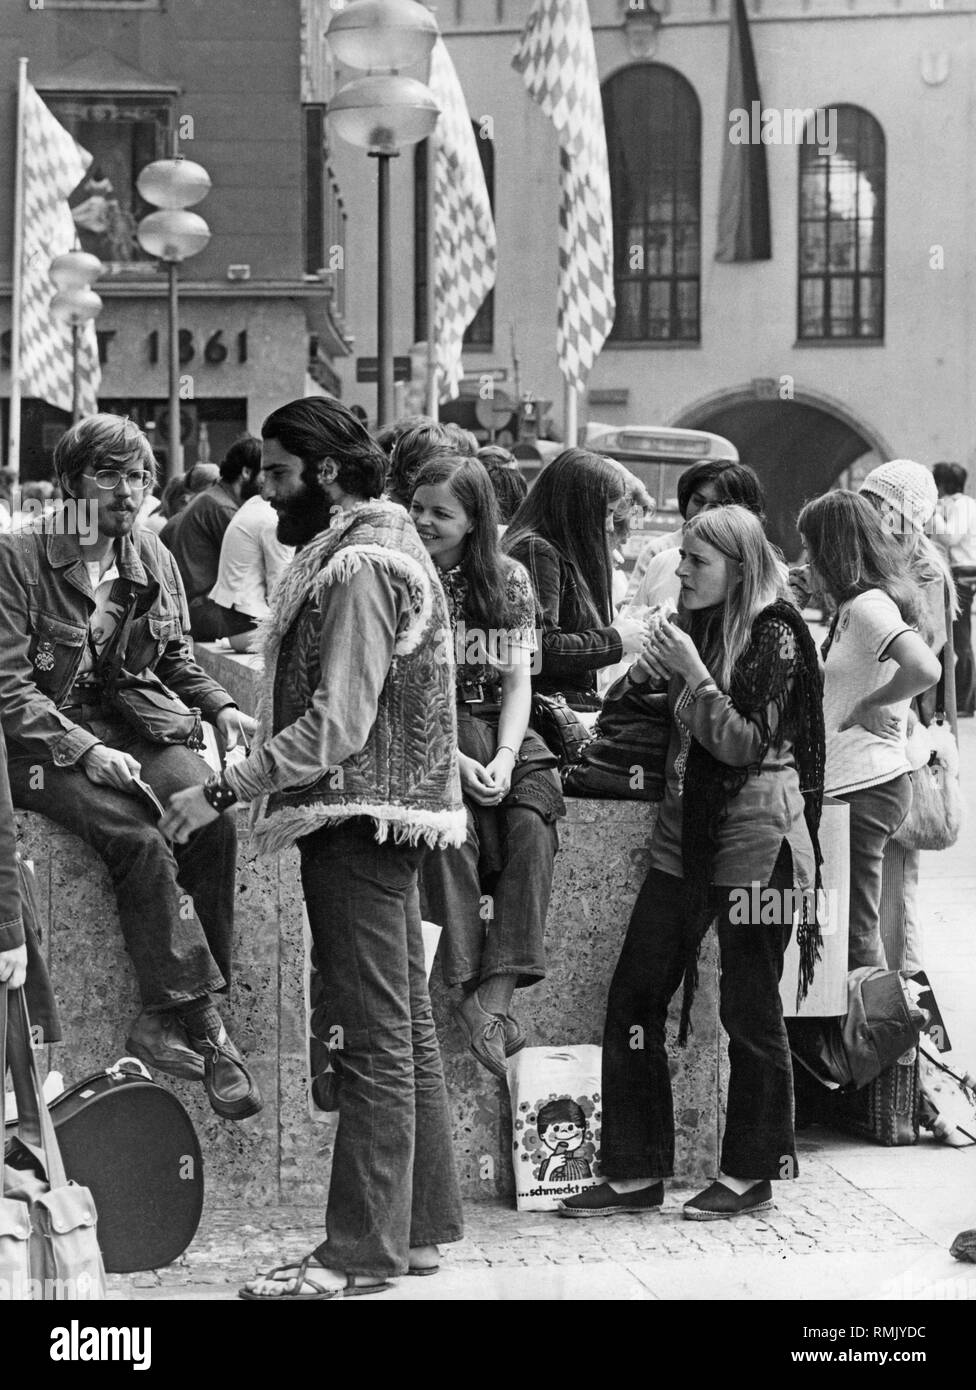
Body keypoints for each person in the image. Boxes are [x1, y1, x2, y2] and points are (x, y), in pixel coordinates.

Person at [161, 396, 465, 1299]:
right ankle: (414, 1231)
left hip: (359, 822)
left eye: (282, 473)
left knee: (373, 1040)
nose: (266, 490)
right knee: (400, 1027)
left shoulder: (364, 562)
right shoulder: (373, 544)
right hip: (378, 818)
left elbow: (338, 722)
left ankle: (357, 1253)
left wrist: (226, 786)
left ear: (328, 472)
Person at [559, 506, 825, 1222]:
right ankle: (634, 1170)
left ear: (738, 569)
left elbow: (741, 742)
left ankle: (750, 1174)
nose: (680, 572)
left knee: (751, 1008)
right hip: (686, 841)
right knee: (635, 998)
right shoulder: (696, 628)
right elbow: (636, 712)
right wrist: (647, 672)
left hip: (764, 850)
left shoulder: (778, 636)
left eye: (696, 562)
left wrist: (695, 676)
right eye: (681, 559)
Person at [0, 414, 260, 1121]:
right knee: (140, 837)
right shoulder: (18, 557)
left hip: (135, 723)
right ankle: (204, 1024)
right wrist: (87, 751)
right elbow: (9, 688)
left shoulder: (151, 553)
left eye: (140, 476)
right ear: (70, 484)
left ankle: (163, 1014)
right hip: (43, 744)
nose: (129, 490)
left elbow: (174, 659)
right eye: (109, 475)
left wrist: (221, 705)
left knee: (210, 815)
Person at [409, 455, 563, 1077]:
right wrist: (452, 759)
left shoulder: (510, 580)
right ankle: (475, 992)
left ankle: (488, 1002)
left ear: (476, 521)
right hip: (427, 732)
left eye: (441, 513)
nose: (424, 521)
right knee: (449, 833)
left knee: (533, 823)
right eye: (418, 508)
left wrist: (502, 755)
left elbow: (518, 681)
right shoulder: (402, 579)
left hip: (505, 724)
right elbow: (398, 693)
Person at [798, 490, 942, 969]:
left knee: (857, 932)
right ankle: (869, 1035)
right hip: (857, 784)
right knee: (849, 927)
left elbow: (925, 668)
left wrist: (869, 704)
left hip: (866, 786)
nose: (806, 560)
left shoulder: (867, 607)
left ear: (832, 550)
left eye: (810, 547)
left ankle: (881, 1039)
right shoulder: (851, 609)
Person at [858, 461, 958, 975]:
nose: (867, 511)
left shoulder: (921, 570)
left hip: (907, 740)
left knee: (896, 891)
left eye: (876, 502)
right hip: (885, 742)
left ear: (898, 512)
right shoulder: (879, 560)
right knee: (877, 891)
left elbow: (929, 649)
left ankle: (905, 1015)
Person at [503, 449, 648, 711]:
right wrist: (616, 640)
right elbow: (540, 649)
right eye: (607, 512)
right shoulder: (537, 550)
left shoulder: (554, 551)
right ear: (579, 507)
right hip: (545, 712)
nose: (609, 526)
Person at [632, 463, 776, 610]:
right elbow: (632, 615)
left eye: (718, 506)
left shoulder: (773, 584)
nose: (703, 513)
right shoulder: (660, 558)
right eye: (698, 501)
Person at [160, 438, 262, 640]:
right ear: (246, 472)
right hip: (207, 614)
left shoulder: (211, 499)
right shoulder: (222, 508)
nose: (268, 484)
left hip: (196, 612)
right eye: (267, 474)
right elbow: (257, 566)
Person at [207, 494, 294, 651]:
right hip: (249, 626)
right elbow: (280, 585)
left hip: (234, 620)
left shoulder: (255, 505)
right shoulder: (277, 519)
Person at [933, 461, 976, 716]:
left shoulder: (960, 505)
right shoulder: (967, 503)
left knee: (960, 637)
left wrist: (935, 514)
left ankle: (964, 701)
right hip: (965, 569)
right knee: (961, 635)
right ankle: (967, 699)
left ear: (943, 484)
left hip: (964, 571)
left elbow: (951, 536)